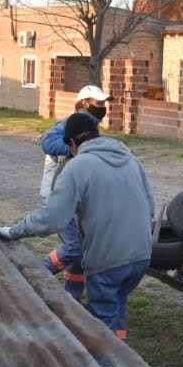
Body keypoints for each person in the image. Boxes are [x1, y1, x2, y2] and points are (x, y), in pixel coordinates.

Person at [0, 112, 154, 341]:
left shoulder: (78, 166)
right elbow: (150, 205)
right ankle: (123, 351)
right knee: (117, 303)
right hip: (142, 256)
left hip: (108, 260)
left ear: (73, 143)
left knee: (103, 323)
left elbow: (52, 218)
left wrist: (12, 231)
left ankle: (109, 359)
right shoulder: (129, 158)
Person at [37, 85, 111, 300]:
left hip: (77, 198)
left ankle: (72, 298)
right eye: (99, 103)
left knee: (81, 250)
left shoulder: (92, 128)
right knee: (75, 247)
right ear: (85, 103)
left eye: (104, 104)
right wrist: (77, 147)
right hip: (58, 196)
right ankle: (35, 274)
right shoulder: (68, 124)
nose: (103, 108)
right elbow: (47, 143)